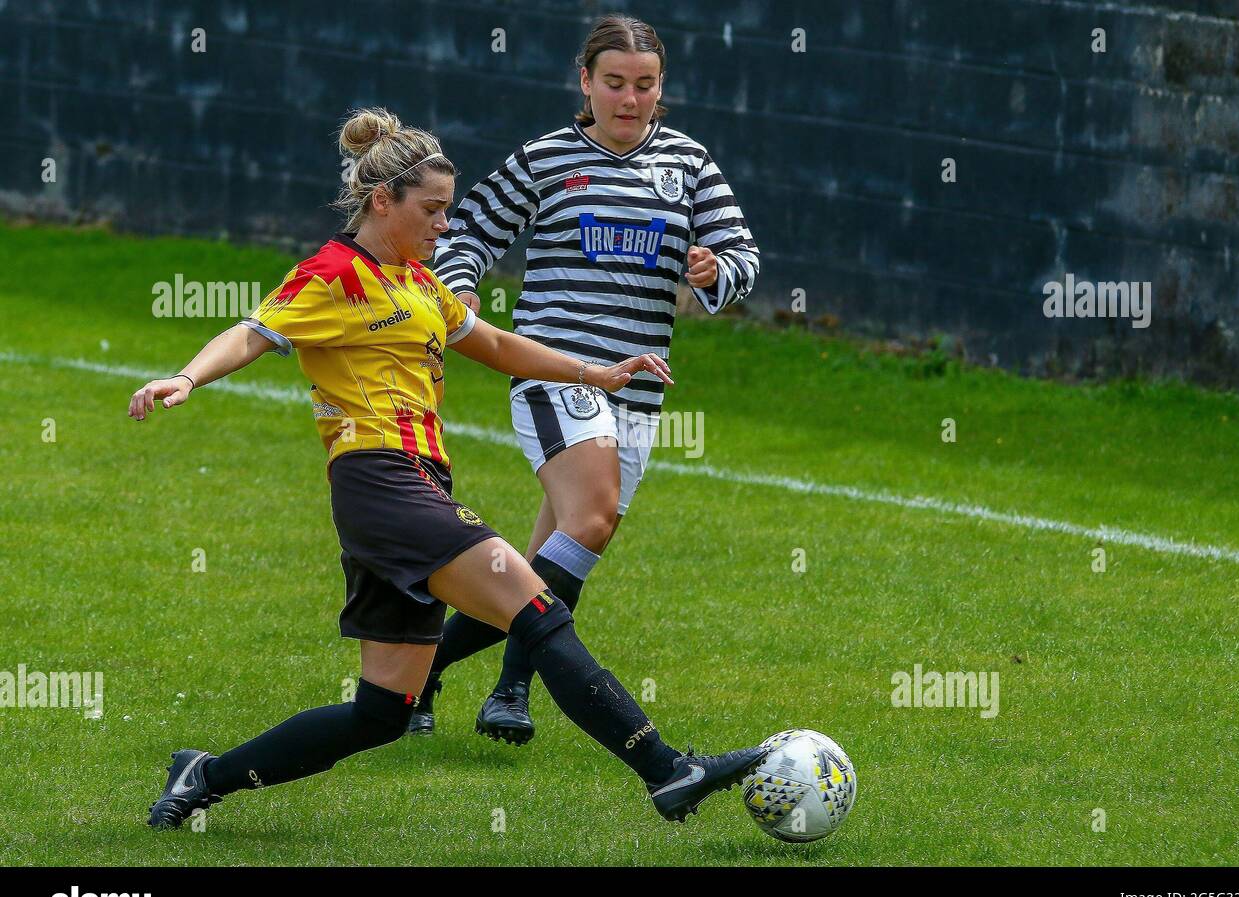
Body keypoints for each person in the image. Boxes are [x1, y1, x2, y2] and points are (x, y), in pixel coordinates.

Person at [131, 107, 765, 829]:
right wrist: (185, 378)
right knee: (537, 611)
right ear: (383, 201)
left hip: (416, 486)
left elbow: (495, 344)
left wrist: (595, 372)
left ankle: (202, 774)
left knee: (382, 712)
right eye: (431, 211)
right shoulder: (335, 273)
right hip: (381, 481)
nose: (443, 226)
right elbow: (252, 332)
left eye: (448, 211)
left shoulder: (418, 282)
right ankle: (669, 771)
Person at [414, 14, 760, 743]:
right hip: (557, 371)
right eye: (614, 84)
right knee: (594, 515)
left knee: (557, 550)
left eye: (645, 84)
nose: (629, 100)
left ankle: (454, 680)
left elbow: (742, 254)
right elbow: (468, 229)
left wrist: (715, 271)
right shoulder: (547, 159)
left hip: (637, 387)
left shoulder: (690, 164)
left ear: (660, 86)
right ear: (585, 81)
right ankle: (503, 688)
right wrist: (463, 287)